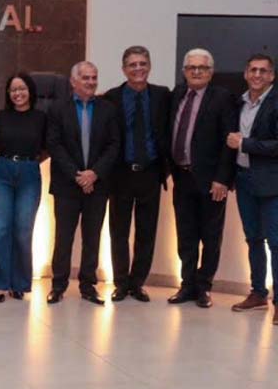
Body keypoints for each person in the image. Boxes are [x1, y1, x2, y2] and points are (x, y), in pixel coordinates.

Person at [46, 61, 119, 305]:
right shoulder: (57, 109)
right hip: (67, 185)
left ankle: (88, 286)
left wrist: (94, 174)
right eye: (85, 78)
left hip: (97, 186)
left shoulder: (108, 109)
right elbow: (54, 145)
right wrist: (78, 175)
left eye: (94, 77)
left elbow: (113, 145)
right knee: (63, 237)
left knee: (92, 237)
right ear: (73, 82)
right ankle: (58, 285)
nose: (91, 82)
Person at [168, 48, 236, 308]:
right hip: (182, 178)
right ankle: (187, 285)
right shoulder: (177, 95)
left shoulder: (223, 98)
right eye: (191, 67)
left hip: (211, 182)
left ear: (211, 71)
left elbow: (228, 141)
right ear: (184, 71)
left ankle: (204, 287)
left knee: (210, 236)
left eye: (202, 68)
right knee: (185, 235)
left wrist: (222, 179)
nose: (197, 72)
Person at [103, 46, 171, 303]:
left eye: (142, 63)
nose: (138, 68)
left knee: (146, 232)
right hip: (120, 174)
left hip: (151, 173)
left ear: (149, 66)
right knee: (118, 231)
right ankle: (120, 283)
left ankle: (138, 283)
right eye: (132, 64)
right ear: (124, 69)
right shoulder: (111, 97)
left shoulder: (163, 95)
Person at [0, 73, 45, 302]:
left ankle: (18, 283)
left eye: (22, 89)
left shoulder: (41, 118)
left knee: (23, 230)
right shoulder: (1, 117)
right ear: (8, 94)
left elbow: (46, 148)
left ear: (30, 90)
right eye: (13, 90)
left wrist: (30, 164)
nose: (18, 93)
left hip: (29, 174)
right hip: (2, 173)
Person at [227, 54, 278, 321]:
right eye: (253, 70)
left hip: (272, 185)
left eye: (263, 71)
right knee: (253, 239)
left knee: (276, 242)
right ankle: (258, 293)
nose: (257, 75)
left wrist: (245, 144)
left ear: (271, 76)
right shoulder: (240, 103)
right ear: (246, 74)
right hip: (244, 180)